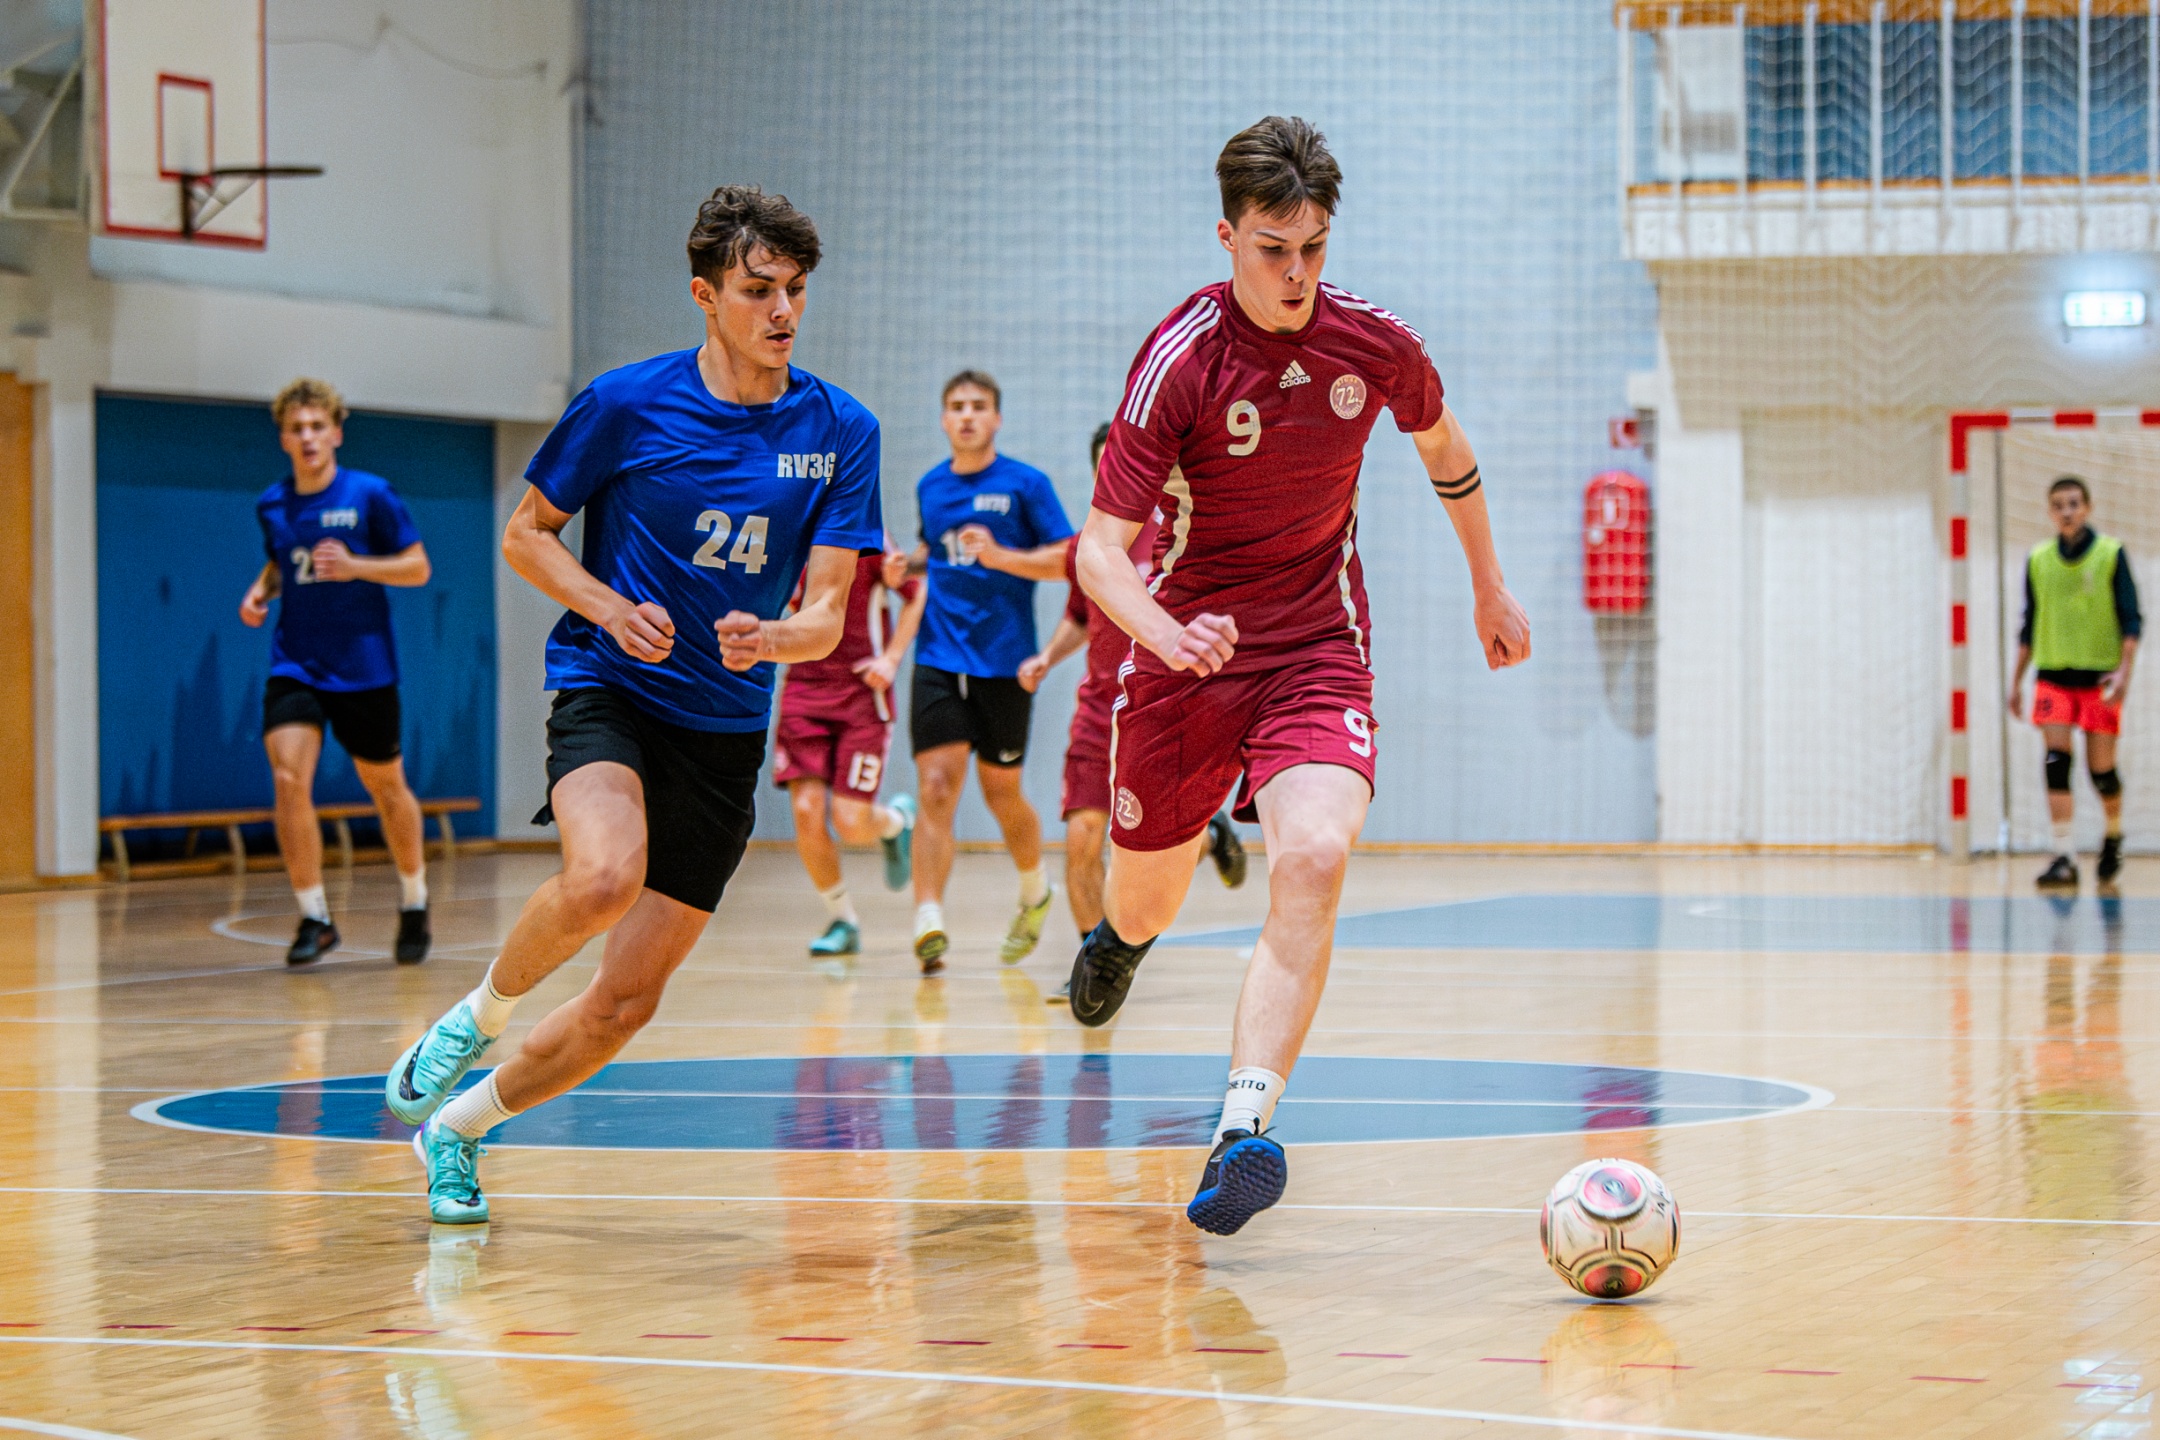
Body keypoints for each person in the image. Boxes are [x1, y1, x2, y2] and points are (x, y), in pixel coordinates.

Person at [1063, 117, 1530, 1236]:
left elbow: (1447, 449)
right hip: (1186, 658)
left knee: (1314, 856)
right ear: (1228, 237)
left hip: (1317, 646)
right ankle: (1121, 941)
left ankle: (1242, 1130)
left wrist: (1489, 586)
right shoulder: (1180, 358)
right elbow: (1098, 551)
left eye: (1314, 248)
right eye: (1273, 249)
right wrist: (1164, 636)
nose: (1296, 273)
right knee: (1146, 898)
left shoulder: (1374, 344)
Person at [383, 185, 884, 1225]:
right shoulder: (624, 403)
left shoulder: (842, 429)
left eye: (795, 290)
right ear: (705, 296)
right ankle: (478, 1015)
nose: (782, 311)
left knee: (624, 1005)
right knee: (603, 875)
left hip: (724, 731)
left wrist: (772, 637)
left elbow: (828, 614)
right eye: (758, 290)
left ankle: (456, 1132)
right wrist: (609, 609)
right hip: (609, 688)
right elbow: (526, 534)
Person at [963, 422, 1246, 1002]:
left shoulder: (1185, 536)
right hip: (1099, 710)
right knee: (1082, 839)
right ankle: (1094, 967)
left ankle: (1207, 836)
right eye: (1104, 468)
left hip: (1165, 709)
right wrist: (1046, 657)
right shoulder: (1092, 547)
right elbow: (1078, 611)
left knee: (1149, 847)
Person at [239, 377, 434, 966]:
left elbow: (417, 567)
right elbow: (283, 564)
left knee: (387, 788)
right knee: (288, 778)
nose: (308, 437)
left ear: (336, 433)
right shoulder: (273, 504)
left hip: (363, 667)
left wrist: (356, 566)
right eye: (296, 428)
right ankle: (315, 916)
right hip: (296, 662)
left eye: (317, 426)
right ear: (283, 438)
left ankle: (414, 899)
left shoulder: (370, 494)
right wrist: (260, 591)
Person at [905, 371, 1075, 974]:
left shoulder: (1026, 484)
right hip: (938, 657)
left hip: (1004, 663)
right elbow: (935, 550)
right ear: (944, 419)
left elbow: (1068, 559)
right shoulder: (930, 486)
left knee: (1001, 794)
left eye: (979, 406)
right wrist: (910, 563)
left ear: (997, 418)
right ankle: (928, 917)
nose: (967, 415)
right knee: (935, 787)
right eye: (957, 406)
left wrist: (1002, 557)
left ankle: (1034, 889)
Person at [770, 538, 924, 956]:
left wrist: (891, 659)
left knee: (852, 822)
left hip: (861, 694)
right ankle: (843, 919)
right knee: (806, 812)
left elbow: (916, 591)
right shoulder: (786, 532)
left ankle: (895, 823)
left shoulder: (865, 535)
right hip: (803, 691)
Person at [2008, 474, 2140, 889]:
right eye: (2058, 505)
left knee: (2101, 771)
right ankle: (2063, 856)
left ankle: (2113, 836)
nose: (2066, 511)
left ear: (2087, 508)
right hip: (2053, 675)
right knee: (2056, 763)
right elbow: (2029, 625)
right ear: (2050, 512)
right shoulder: (2038, 559)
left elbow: (2132, 620)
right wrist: (2015, 681)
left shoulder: (2110, 553)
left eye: (2073, 503)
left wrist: (2124, 672)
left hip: (2099, 678)